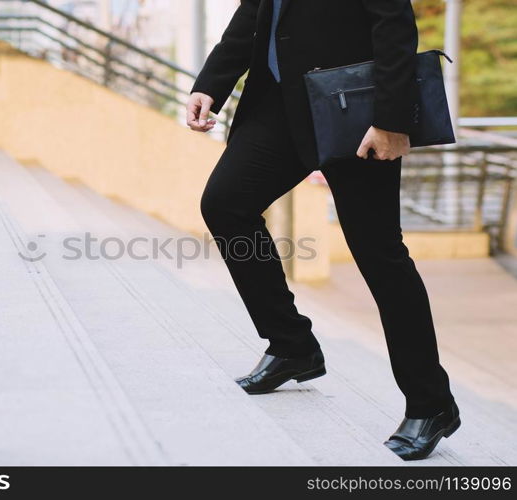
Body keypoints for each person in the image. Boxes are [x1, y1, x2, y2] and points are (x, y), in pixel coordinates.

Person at [185, 0, 459, 461]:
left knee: (379, 253)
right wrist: (211, 84)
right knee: (226, 205)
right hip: (276, 105)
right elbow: (255, 15)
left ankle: (431, 403)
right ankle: (292, 345)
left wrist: (391, 119)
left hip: (350, 105)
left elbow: (394, 26)